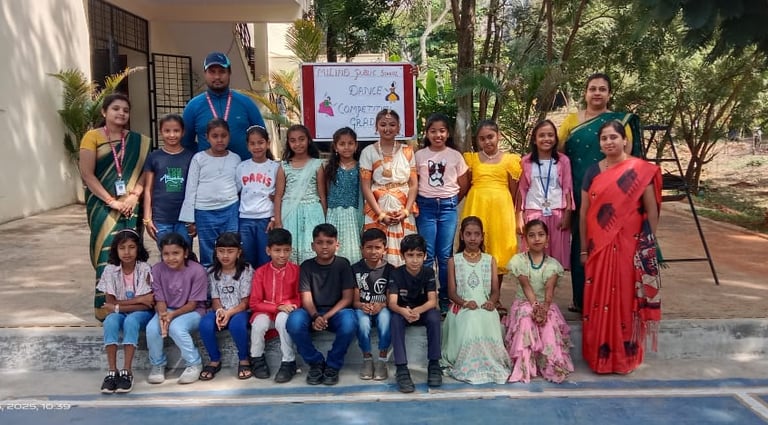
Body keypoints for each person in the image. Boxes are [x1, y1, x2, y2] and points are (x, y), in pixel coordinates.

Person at [579, 120, 662, 375]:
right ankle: (600, 357)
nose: (609, 142)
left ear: (625, 140)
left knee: (626, 299)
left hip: (630, 246)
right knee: (598, 299)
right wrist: (583, 249)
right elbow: (584, 213)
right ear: (599, 144)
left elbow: (652, 211)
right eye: (604, 138)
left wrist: (645, 247)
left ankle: (624, 358)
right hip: (599, 247)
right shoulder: (593, 172)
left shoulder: (639, 170)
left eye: (614, 137)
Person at [558, 73, 643, 313]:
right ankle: (582, 299)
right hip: (579, 193)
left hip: (615, 196)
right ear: (585, 93)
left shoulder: (621, 122)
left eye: (602, 89)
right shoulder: (571, 121)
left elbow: (631, 160)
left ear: (609, 94)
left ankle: (610, 299)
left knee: (612, 244)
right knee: (581, 244)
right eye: (592, 88)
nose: (597, 93)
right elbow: (560, 156)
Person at [79, 93, 151, 320]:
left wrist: (134, 196)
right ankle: (106, 308)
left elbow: (146, 172)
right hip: (102, 205)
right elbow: (87, 175)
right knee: (108, 251)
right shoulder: (92, 137)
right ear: (104, 112)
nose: (121, 113)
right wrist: (112, 202)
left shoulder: (138, 141)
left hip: (130, 206)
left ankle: (133, 304)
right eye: (115, 109)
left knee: (131, 251)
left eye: (125, 110)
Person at [441, 216, 510, 384]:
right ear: (461, 236)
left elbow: (495, 291)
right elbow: (451, 293)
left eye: (477, 234)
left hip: (485, 305)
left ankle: (489, 362)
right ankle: (469, 364)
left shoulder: (490, 260)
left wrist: (491, 302)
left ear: (482, 236)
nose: (472, 238)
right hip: (461, 306)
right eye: (468, 234)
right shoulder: (454, 261)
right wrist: (464, 302)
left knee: (488, 316)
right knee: (471, 317)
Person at [285, 224, 357, 386]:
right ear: (313, 245)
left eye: (329, 242)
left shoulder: (343, 264)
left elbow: (347, 298)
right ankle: (315, 362)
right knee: (294, 321)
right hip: (312, 312)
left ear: (337, 245)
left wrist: (325, 317)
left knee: (350, 321)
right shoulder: (307, 266)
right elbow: (306, 298)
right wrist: (316, 316)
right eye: (319, 242)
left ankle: (333, 365)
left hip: (336, 313)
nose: (324, 246)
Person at [505, 220, 574, 383]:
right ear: (525, 239)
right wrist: (535, 306)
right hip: (524, 302)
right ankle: (524, 368)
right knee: (525, 318)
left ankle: (551, 366)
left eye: (541, 235)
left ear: (547, 239)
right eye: (532, 235)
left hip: (545, 304)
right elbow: (526, 286)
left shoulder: (553, 265)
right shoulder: (519, 261)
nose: (537, 239)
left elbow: (549, 291)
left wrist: (544, 309)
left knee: (548, 321)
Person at [415, 113, 469, 313]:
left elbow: (464, 184)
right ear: (427, 133)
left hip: (448, 208)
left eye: (442, 131)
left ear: (448, 133)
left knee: (445, 256)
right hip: (426, 208)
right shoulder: (419, 155)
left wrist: (451, 201)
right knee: (427, 256)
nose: (438, 135)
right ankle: (427, 298)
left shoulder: (455, 156)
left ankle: (446, 298)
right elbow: (414, 182)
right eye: (433, 131)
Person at [461, 120, 522, 287]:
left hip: (500, 211)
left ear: (499, 136)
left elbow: (515, 192)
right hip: (477, 206)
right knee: (475, 246)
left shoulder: (510, 160)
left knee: (497, 249)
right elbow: (466, 186)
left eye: (490, 137)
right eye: (482, 139)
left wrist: (516, 214)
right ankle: (475, 292)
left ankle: (496, 295)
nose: (487, 141)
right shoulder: (471, 159)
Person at [146, 233, 208, 385]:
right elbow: (160, 299)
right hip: (167, 309)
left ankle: (194, 363)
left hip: (193, 311)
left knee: (176, 328)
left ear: (185, 253)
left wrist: (172, 315)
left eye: (175, 253)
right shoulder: (157, 270)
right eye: (166, 254)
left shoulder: (197, 270)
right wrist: (163, 315)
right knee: (152, 329)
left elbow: (193, 304)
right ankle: (157, 364)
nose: (171, 258)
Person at [97, 229, 154, 393]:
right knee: (110, 321)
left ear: (138, 248)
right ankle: (112, 371)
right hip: (121, 312)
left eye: (131, 247)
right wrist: (138, 300)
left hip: (141, 314)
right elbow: (110, 303)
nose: (127, 252)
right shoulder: (110, 270)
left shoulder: (144, 268)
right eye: (122, 248)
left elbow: (147, 305)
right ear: (116, 250)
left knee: (131, 320)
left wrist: (117, 306)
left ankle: (127, 371)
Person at [179, 118, 241, 268]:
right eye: (215, 136)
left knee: (230, 246)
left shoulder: (235, 158)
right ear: (207, 137)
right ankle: (209, 281)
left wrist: (226, 196)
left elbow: (239, 184)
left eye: (223, 136)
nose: (219, 140)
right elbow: (191, 188)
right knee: (208, 250)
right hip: (204, 212)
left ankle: (230, 280)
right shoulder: (199, 158)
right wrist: (189, 219)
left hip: (230, 210)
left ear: (229, 136)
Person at [182, 51, 266, 161]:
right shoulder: (193, 106)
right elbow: (186, 143)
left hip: (242, 168)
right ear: (205, 73)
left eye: (222, 71)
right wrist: (202, 158)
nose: (217, 76)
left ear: (229, 73)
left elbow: (262, 136)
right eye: (212, 72)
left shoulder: (245, 103)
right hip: (208, 170)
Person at [360, 109, 418, 266]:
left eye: (392, 125)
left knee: (406, 250)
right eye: (383, 124)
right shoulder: (368, 152)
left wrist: (406, 211)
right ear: (376, 127)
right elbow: (366, 187)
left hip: (403, 207)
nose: (387, 128)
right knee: (377, 250)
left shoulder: (407, 151)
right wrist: (380, 214)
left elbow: (413, 184)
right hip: (378, 207)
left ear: (399, 128)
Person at [387, 234, 442, 393]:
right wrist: (403, 311)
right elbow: (392, 303)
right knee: (395, 319)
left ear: (425, 256)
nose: (415, 260)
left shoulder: (428, 272)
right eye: (410, 255)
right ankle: (401, 368)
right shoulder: (396, 274)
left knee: (434, 317)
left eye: (419, 255)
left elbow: (432, 301)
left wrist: (418, 310)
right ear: (402, 255)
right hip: (403, 311)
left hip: (422, 311)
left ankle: (434, 363)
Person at [517, 119, 574, 269]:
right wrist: (519, 216)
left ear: (555, 138)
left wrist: (568, 214)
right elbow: (522, 190)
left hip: (557, 214)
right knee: (533, 260)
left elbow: (567, 188)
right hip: (534, 213)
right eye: (541, 135)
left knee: (555, 263)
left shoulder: (563, 161)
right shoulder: (526, 161)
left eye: (550, 135)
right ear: (534, 139)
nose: (546, 139)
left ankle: (551, 286)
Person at [198, 232, 254, 381]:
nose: (225, 255)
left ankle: (244, 359)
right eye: (221, 251)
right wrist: (220, 312)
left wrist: (229, 314)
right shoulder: (211, 272)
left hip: (240, 310)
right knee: (205, 324)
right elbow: (215, 299)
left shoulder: (246, 270)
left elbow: (245, 302)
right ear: (216, 252)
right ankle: (214, 359)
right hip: (221, 309)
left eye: (230, 251)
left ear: (238, 253)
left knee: (237, 325)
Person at [249, 228, 301, 383]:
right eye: (277, 250)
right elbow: (254, 303)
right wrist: (276, 307)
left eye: (286, 250)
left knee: (282, 320)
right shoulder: (260, 272)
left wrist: (289, 305)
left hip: (285, 313)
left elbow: (299, 298)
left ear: (291, 250)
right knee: (259, 323)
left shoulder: (296, 271)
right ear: (268, 251)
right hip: (265, 312)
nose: (282, 255)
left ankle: (288, 362)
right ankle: (256, 358)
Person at [274, 124, 327, 264]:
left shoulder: (317, 164)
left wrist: (325, 219)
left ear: (308, 140)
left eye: (301, 139)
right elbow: (278, 196)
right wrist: (278, 222)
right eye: (293, 140)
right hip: (290, 213)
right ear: (288, 143)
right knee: (290, 249)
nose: (297, 144)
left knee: (312, 248)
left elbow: (322, 195)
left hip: (313, 212)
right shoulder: (284, 166)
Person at [142, 114, 196, 248]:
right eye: (167, 131)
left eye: (176, 131)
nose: (172, 135)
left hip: (185, 219)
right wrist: (147, 218)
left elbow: (195, 189)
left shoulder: (191, 157)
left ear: (183, 132)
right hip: (161, 219)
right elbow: (148, 189)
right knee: (167, 255)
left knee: (184, 254)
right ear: (161, 132)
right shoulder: (154, 157)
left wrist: (194, 218)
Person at [352, 228, 393, 381]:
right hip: (363, 308)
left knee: (385, 320)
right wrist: (362, 306)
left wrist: (381, 305)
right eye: (369, 247)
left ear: (384, 249)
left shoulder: (390, 270)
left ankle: (382, 360)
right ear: (361, 248)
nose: (373, 251)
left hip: (382, 307)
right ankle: (367, 358)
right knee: (362, 323)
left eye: (378, 247)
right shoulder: (355, 269)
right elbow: (355, 301)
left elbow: (390, 299)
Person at [236, 125, 279, 268]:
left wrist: (273, 218)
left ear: (268, 143)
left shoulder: (275, 167)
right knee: (247, 258)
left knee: (265, 257)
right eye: (252, 143)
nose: (257, 147)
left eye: (260, 142)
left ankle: (264, 283)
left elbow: (278, 195)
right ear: (247, 146)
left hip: (265, 219)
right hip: (245, 219)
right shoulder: (242, 167)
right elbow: (236, 192)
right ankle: (249, 283)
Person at [325, 127, 363, 264]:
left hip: (353, 214)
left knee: (351, 248)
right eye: (342, 144)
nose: (346, 147)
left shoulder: (360, 167)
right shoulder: (330, 167)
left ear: (356, 145)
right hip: (334, 214)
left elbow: (363, 192)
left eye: (350, 143)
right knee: (333, 248)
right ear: (335, 147)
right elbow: (326, 191)